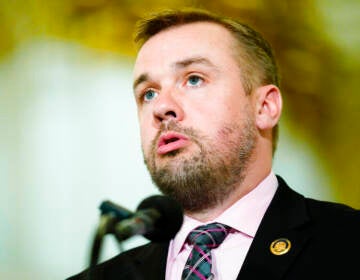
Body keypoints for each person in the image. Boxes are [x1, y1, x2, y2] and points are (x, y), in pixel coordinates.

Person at [67, 8, 360, 280]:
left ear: (265, 107)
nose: (161, 107)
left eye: (193, 79)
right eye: (149, 94)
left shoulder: (348, 245)